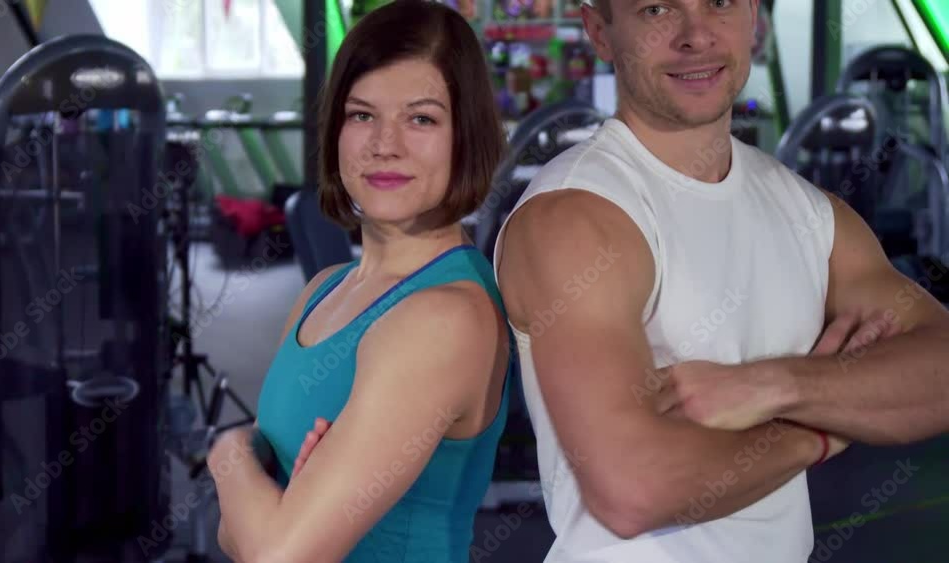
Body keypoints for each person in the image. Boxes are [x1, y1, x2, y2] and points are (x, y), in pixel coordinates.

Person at [493, 0, 949, 562]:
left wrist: (774, 386)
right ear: (599, 32)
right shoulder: (576, 217)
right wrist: (822, 431)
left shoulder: (810, 213)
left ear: (751, 16)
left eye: (719, 4)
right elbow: (633, 490)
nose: (696, 36)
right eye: (657, 9)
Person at [205, 2, 513, 561]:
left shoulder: (444, 317)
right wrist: (264, 511)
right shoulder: (323, 288)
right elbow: (235, 537)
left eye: (421, 118)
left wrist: (227, 452)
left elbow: (277, 555)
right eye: (362, 115)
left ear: (466, 137)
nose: (384, 144)